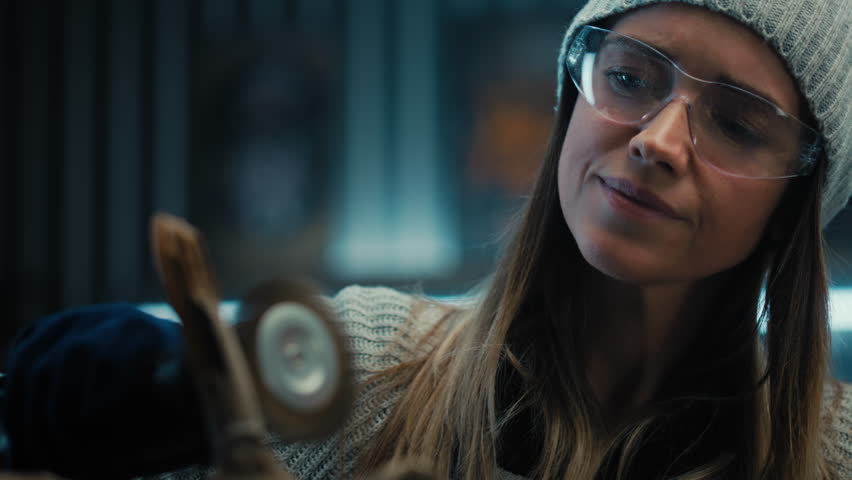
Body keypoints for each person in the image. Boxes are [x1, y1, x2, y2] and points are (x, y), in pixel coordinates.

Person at [4, 0, 852, 478]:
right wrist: (172, 382)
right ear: (574, 100)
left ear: (799, 198)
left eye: (739, 124)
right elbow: (39, 393)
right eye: (629, 77)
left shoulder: (835, 455)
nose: (658, 141)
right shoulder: (369, 369)